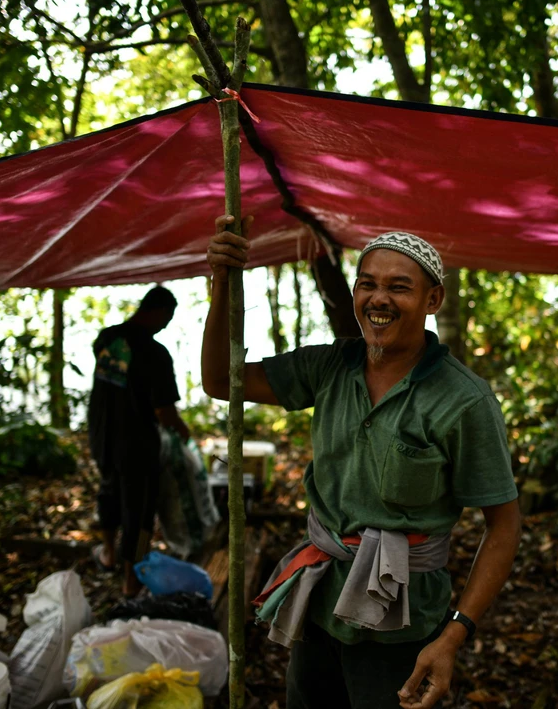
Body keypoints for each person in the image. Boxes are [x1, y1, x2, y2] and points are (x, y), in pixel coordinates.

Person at [202, 216, 521, 709]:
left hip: (404, 628)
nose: (379, 299)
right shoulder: (331, 366)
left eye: (399, 287)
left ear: (432, 300)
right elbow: (222, 381)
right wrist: (223, 279)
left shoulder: (464, 401)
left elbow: (503, 528)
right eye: (367, 284)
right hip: (320, 607)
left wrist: (454, 635)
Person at [88, 285, 189, 597]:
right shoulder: (155, 353)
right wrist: (183, 431)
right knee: (140, 512)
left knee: (108, 492)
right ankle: (131, 582)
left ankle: (108, 553)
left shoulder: (107, 338)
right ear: (157, 310)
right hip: (137, 445)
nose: (166, 325)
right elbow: (164, 411)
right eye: (168, 318)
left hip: (102, 434)